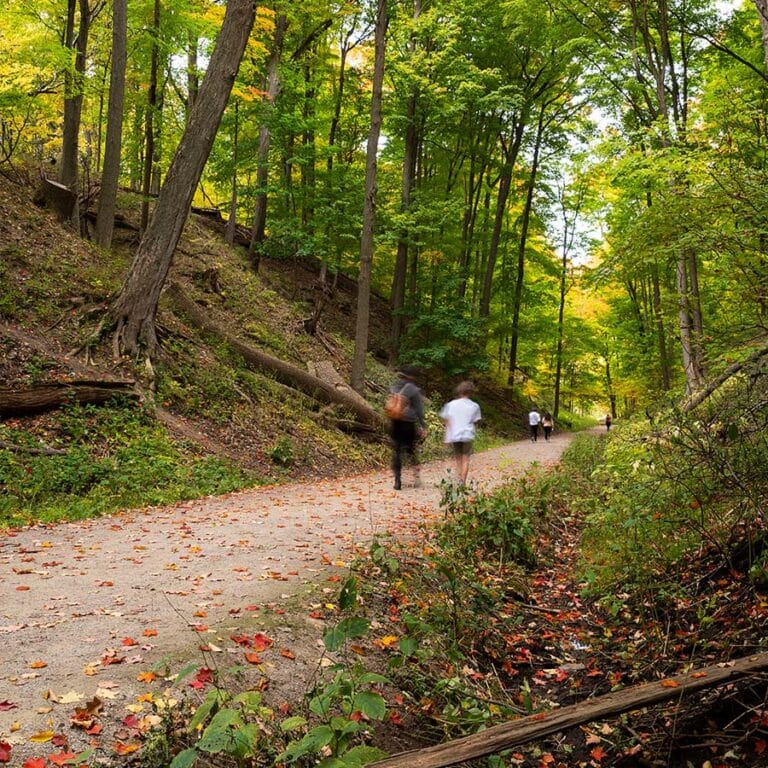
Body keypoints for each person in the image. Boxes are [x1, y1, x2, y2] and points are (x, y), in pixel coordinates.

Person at [387, 366, 426, 490]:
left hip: (395, 422)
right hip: (408, 424)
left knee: (396, 450)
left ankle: (397, 481)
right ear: (413, 377)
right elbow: (419, 410)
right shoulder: (414, 390)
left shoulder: (395, 386)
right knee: (411, 450)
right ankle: (416, 477)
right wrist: (423, 425)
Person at [440, 381, 482, 485]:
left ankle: (459, 478)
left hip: (455, 434)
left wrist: (447, 436)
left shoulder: (451, 404)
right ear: (470, 392)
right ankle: (462, 481)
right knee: (466, 459)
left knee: (458, 459)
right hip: (467, 434)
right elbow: (475, 420)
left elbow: (446, 420)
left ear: (459, 391)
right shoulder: (474, 406)